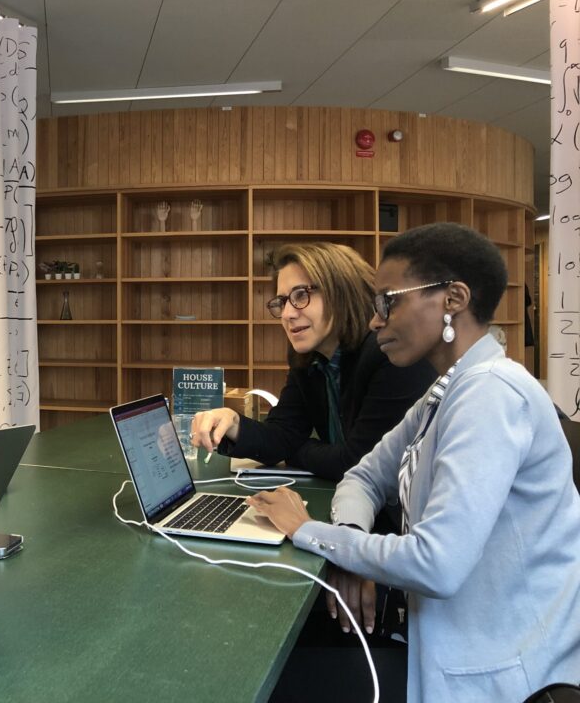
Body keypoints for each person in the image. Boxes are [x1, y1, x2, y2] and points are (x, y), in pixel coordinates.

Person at [248, 223, 580, 701]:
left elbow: (436, 564)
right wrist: (353, 543)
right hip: (444, 644)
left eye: (389, 302)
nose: (375, 320)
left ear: (453, 299)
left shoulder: (491, 394)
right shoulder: (444, 392)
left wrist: (310, 532)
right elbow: (363, 476)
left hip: (499, 676)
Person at [191, 242, 435, 483]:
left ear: (341, 292)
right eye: (282, 302)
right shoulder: (308, 358)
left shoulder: (390, 355)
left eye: (300, 295)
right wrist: (233, 422)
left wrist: (295, 451)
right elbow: (281, 435)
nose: (287, 314)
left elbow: (358, 463)